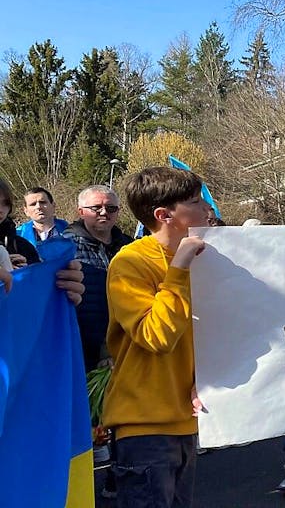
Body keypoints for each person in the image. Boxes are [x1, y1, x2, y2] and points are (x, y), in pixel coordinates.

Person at [102, 166, 210, 508]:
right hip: (144, 426)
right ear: (164, 215)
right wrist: (177, 270)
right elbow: (156, 336)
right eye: (195, 201)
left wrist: (210, 379)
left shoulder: (206, 259)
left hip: (186, 422)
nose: (207, 208)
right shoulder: (130, 262)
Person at [63, 185, 133, 373]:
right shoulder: (63, 249)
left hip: (125, 348)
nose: (104, 213)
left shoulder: (132, 248)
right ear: (81, 212)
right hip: (78, 349)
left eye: (111, 208)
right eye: (96, 208)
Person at [0, 179, 40, 267]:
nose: (1, 210)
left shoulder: (22, 246)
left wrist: (26, 271)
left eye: (5, 203)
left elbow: (40, 278)